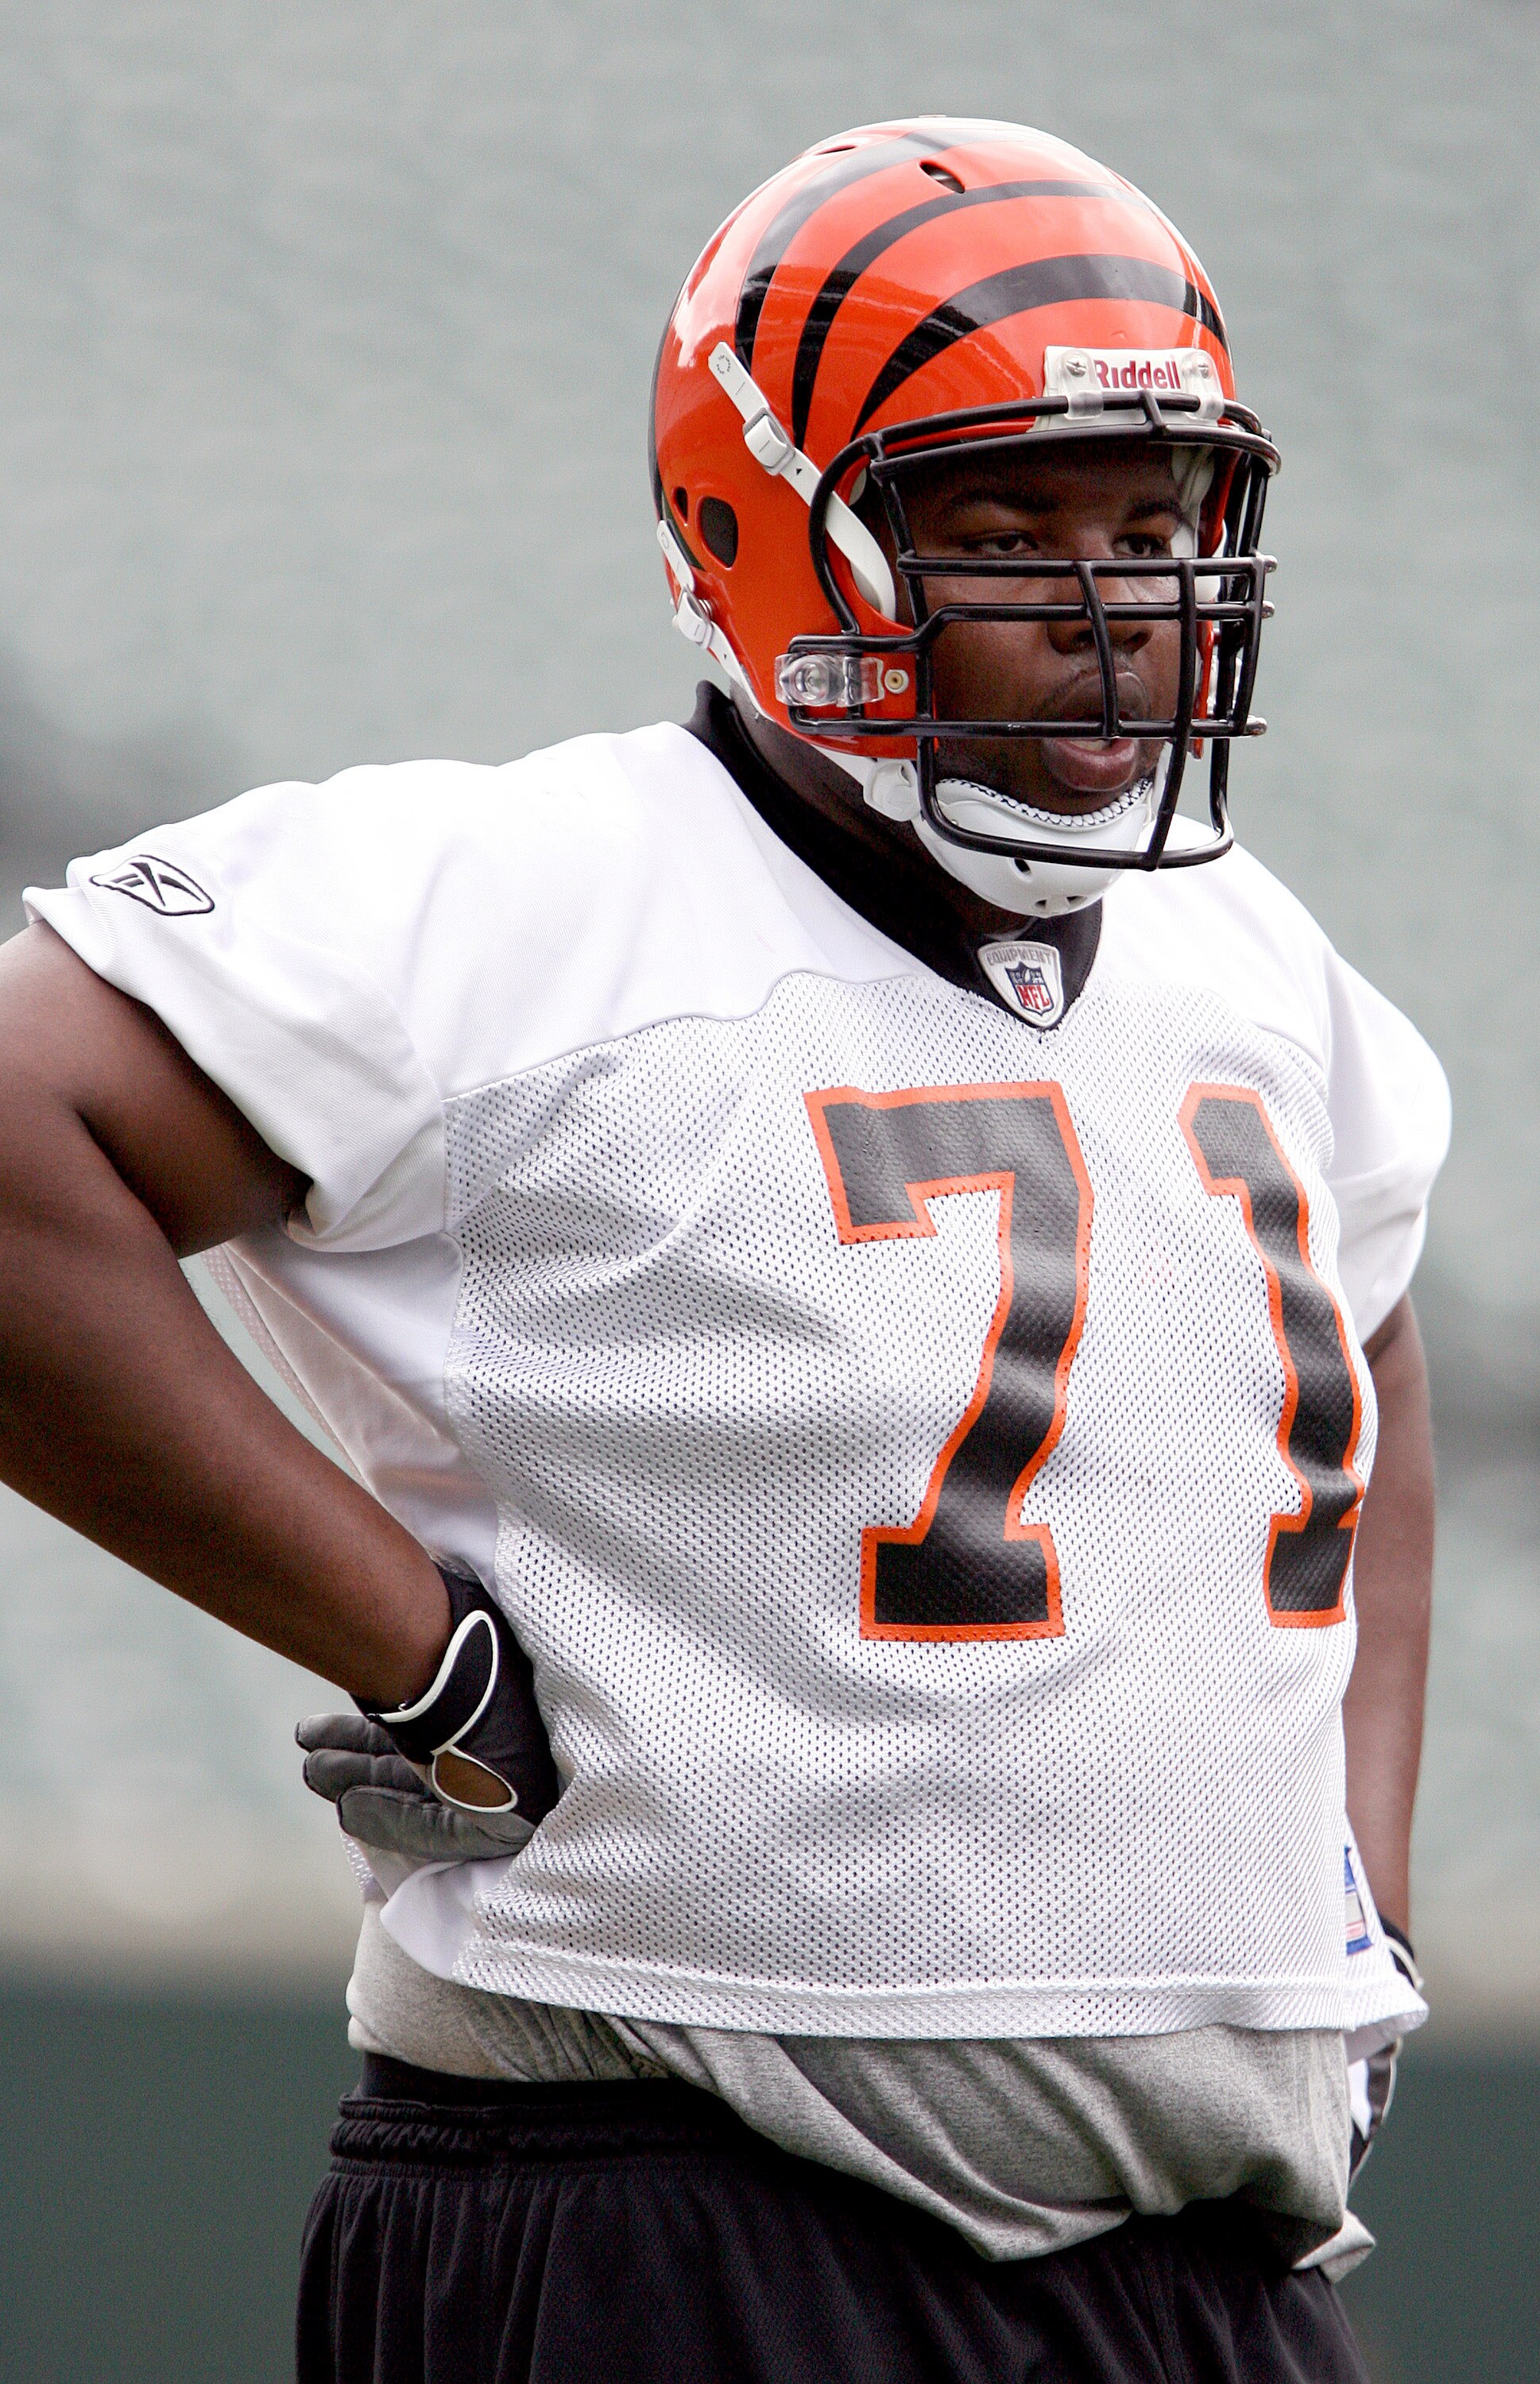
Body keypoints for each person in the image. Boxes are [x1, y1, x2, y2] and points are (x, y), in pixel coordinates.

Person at [0, 118, 1446, 2383]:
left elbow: (1354, 1375)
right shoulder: (530, 894)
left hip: (1206, 2261)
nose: (1115, 606)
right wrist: (417, 1654)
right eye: (1005, 529)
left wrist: (1349, 1878)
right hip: (671, 2209)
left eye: (1159, 527)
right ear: (769, 530)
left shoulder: (1259, 966)